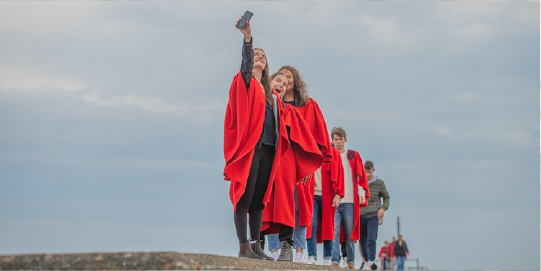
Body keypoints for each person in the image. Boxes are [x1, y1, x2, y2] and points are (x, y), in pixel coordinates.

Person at [223, 18, 289, 260]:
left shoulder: (271, 95)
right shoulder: (247, 83)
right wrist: (248, 39)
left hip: (269, 150)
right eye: (256, 55)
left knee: (259, 201)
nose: (259, 57)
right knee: (245, 197)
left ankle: (257, 247)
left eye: (263, 55)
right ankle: (243, 249)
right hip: (252, 149)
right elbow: (245, 63)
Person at [266, 65, 331, 263]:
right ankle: (274, 249)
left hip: (301, 163)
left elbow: (320, 139)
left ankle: (300, 250)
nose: (285, 81)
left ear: (295, 80)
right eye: (281, 78)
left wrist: (310, 164)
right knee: (273, 203)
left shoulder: (309, 105)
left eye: (288, 77)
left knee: (300, 207)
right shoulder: (271, 103)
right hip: (277, 160)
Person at [329, 127, 369, 269]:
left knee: (350, 233)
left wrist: (362, 193)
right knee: (333, 232)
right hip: (334, 201)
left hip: (350, 201)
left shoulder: (353, 156)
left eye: (340, 139)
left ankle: (350, 261)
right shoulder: (330, 156)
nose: (338, 142)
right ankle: (335, 260)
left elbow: (360, 176)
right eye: (335, 139)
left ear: (345, 140)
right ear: (332, 141)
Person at [306, 145, 344, 265]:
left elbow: (339, 173)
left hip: (327, 195)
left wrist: (338, 195)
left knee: (328, 226)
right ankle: (311, 255)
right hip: (312, 194)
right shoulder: (309, 149)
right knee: (311, 225)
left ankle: (327, 257)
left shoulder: (332, 153)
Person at [360, 161, 390, 270]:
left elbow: (386, 197)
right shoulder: (358, 182)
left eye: (369, 171)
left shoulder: (379, 183)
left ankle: (371, 260)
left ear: (373, 170)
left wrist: (383, 208)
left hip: (373, 215)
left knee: (371, 239)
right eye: (366, 171)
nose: (368, 174)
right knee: (362, 240)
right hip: (360, 214)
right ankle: (367, 261)